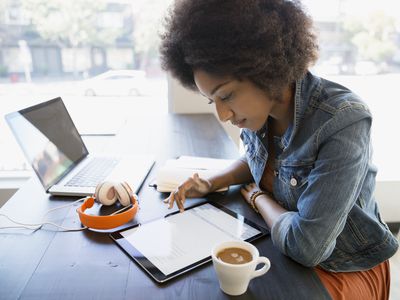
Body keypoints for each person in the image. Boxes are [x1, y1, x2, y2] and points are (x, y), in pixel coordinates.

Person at [159, 0, 399, 299]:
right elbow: (261, 159)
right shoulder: (263, 111)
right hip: (282, 243)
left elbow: (307, 247)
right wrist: (212, 182)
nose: (222, 115)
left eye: (227, 95)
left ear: (264, 67)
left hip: (343, 264)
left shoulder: (342, 120)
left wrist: (259, 199)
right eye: (213, 101)